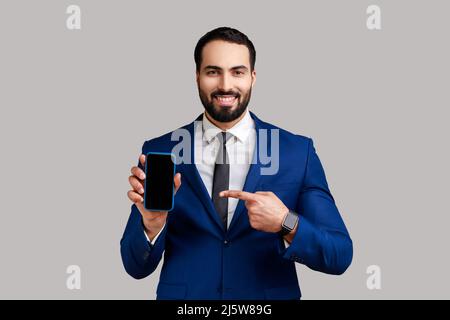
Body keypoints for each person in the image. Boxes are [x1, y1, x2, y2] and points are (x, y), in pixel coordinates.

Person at [120, 27, 353, 300]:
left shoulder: (296, 152)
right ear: (197, 76)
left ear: (253, 77)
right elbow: (135, 267)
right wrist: (152, 225)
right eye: (213, 71)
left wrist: (285, 222)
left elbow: (339, 254)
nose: (225, 85)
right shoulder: (160, 151)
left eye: (237, 72)